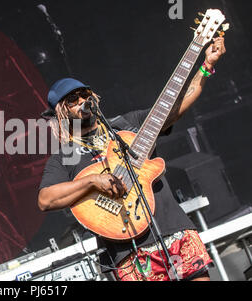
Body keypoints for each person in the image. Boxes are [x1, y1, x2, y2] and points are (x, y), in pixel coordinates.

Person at [38, 37, 226, 281]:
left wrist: (205, 67)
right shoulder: (65, 155)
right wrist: (92, 181)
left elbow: (176, 106)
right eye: (73, 100)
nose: (82, 101)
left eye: (84, 95)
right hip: (127, 252)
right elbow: (45, 199)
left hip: (175, 230)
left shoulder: (129, 124)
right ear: (61, 112)